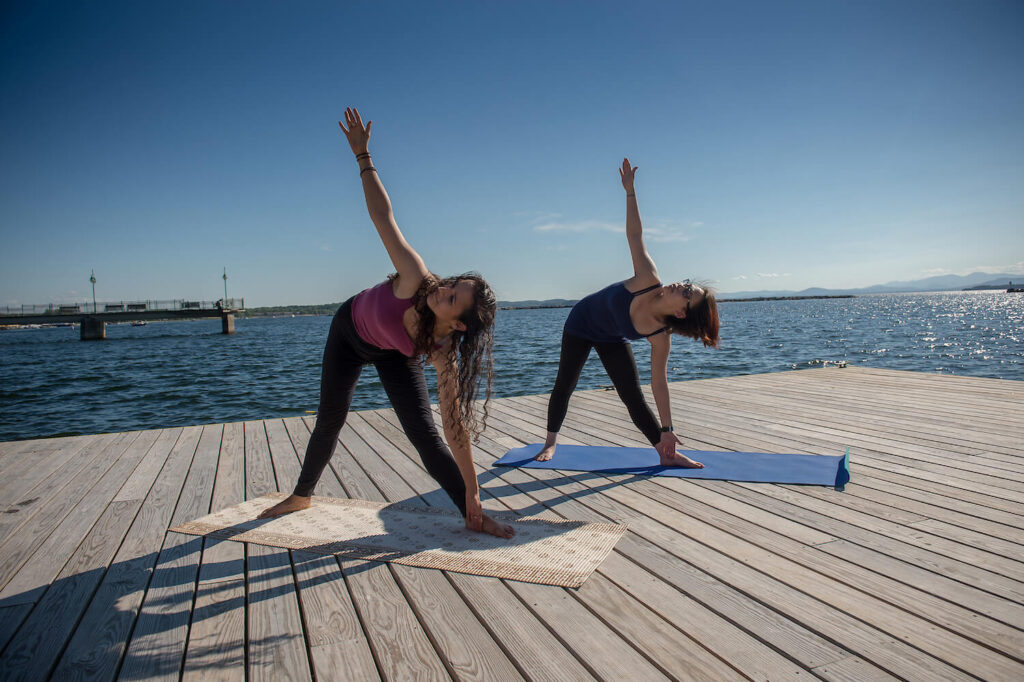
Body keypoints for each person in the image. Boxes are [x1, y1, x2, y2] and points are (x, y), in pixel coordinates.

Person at [259, 108, 514, 539]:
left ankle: (470, 515)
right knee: (331, 417)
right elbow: (384, 218)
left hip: (395, 352)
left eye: (452, 298)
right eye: (451, 283)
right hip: (348, 333)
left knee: (425, 435)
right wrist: (363, 157)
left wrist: (474, 492)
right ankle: (301, 494)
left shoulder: (442, 352)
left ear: (459, 326)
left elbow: (454, 427)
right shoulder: (416, 278)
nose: (442, 290)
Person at [536, 158, 720, 466]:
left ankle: (666, 454)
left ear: (681, 314)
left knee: (632, 396)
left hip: (611, 336)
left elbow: (658, 383)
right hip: (580, 324)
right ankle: (550, 442)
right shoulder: (648, 279)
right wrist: (630, 192)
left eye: (687, 293)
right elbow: (635, 236)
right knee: (565, 384)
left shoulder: (661, 337)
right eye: (688, 284)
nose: (681, 286)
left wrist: (668, 429)